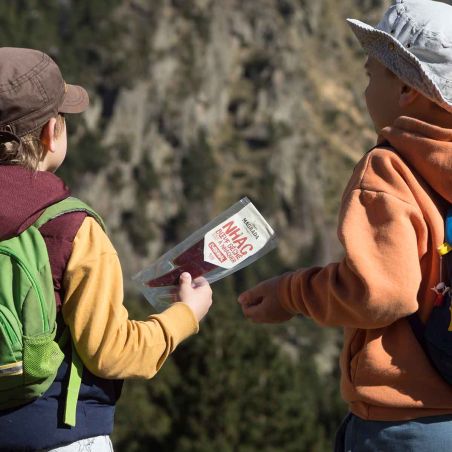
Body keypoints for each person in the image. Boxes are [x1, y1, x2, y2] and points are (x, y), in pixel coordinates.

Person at [238, 0, 452, 450]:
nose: (364, 89)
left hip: (403, 423)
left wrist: (290, 293)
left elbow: (382, 292)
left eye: (373, 75)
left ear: (408, 91)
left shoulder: (390, 171)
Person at [0, 47, 212, 451]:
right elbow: (112, 352)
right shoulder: (71, 228)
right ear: (51, 133)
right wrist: (184, 316)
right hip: (59, 435)